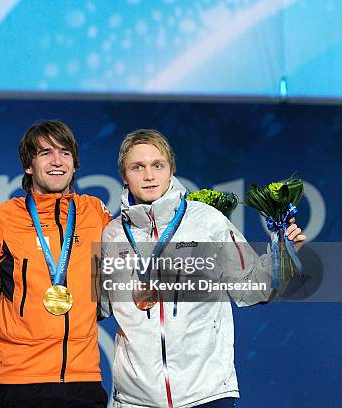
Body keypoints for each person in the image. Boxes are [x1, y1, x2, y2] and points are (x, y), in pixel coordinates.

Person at [99, 129, 306, 408]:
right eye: (138, 167)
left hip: (206, 393)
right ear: (124, 175)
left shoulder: (207, 221)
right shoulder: (112, 234)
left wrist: (280, 257)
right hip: (136, 399)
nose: (149, 176)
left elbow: (251, 289)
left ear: (171, 170)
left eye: (157, 165)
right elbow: (99, 306)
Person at [0, 120, 112, 407]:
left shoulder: (95, 212)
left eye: (65, 152)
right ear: (28, 165)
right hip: (20, 379)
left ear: (75, 163)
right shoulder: (3, 218)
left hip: (84, 378)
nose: (57, 161)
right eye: (45, 153)